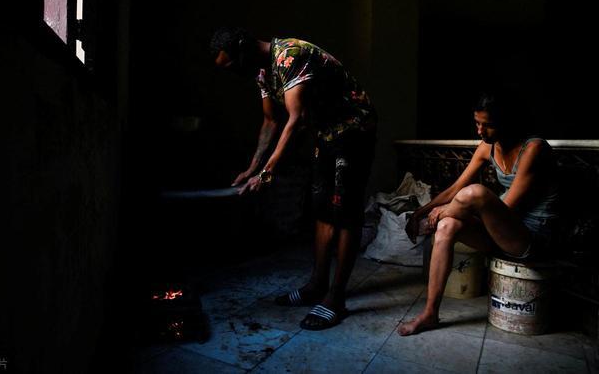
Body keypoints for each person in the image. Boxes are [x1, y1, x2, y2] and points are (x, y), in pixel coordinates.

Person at [210, 27, 377, 330]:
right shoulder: (263, 71)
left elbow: (295, 119)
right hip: (326, 133)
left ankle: (336, 298)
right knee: (322, 208)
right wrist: (253, 167)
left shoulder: (290, 55)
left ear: (243, 49)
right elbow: (270, 120)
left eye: (232, 66)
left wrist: (267, 173)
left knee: (345, 211)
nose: (233, 73)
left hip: (354, 130)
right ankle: (317, 285)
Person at [398, 92, 559, 336]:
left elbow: (508, 208)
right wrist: (420, 211)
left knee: (475, 193)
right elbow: (455, 188)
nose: (480, 131)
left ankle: (434, 221)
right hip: (500, 235)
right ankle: (430, 313)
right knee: (447, 225)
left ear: (507, 122)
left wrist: (446, 210)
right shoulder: (487, 147)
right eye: (477, 123)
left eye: (488, 125)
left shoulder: (534, 148)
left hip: (530, 238)